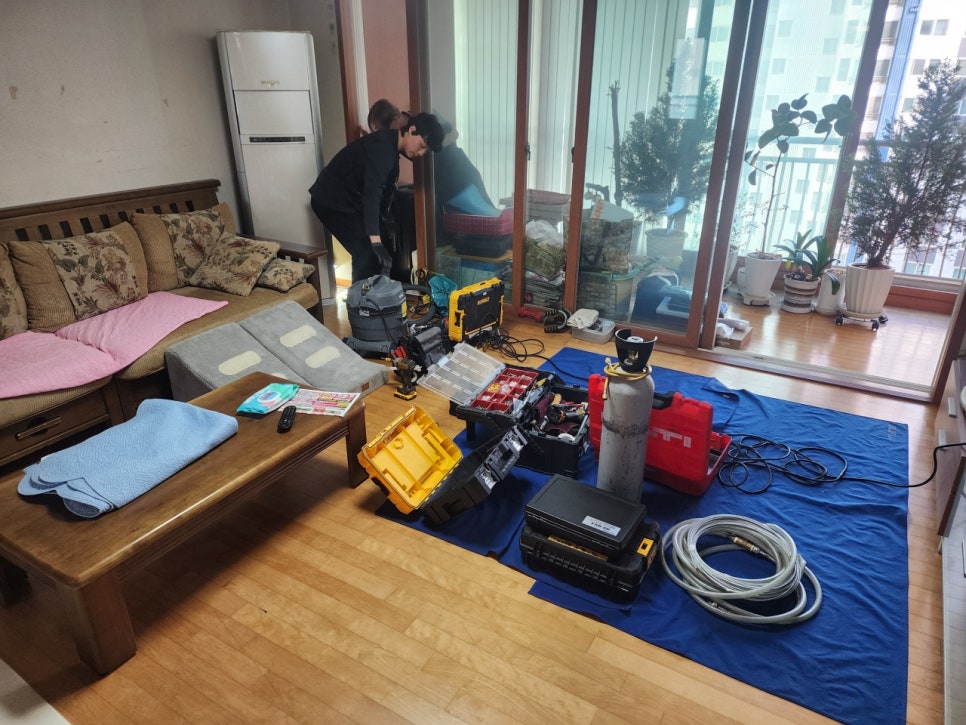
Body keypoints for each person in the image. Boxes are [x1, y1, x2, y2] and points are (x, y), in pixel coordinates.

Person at [309, 111, 444, 282]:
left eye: (426, 150)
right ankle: (360, 298)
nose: (421, 153)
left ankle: (384, 293)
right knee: (366, 253)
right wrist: (375, 241)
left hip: (350, 200)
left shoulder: (392, 144)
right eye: (422, 145)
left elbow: (383, 192)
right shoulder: (383, 149)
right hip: (329, 200)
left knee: (383, 246)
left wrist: (383, 230)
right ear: (412, 130)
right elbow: (372, 194)